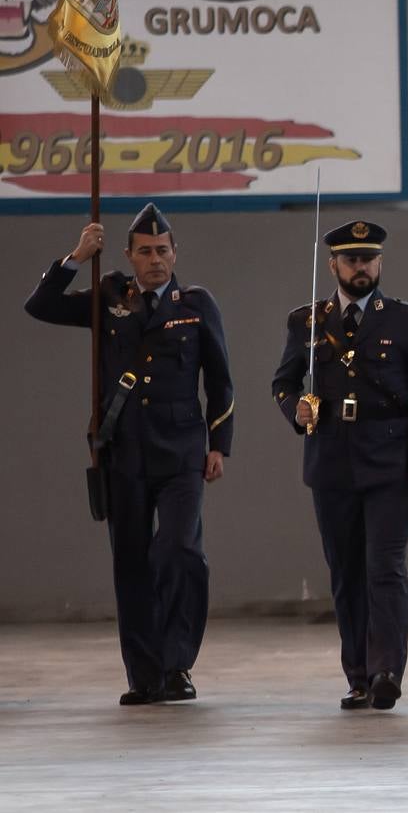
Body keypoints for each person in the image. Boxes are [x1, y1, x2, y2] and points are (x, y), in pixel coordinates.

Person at [24, 203, 234, 705]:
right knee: (131, 564)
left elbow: (221, 383)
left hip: (182, 449)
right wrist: (78, 255)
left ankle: (177, 663)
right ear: (129, 255)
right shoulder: (108, 295)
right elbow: (41, 306)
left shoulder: (196, 304)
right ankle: (144, 675)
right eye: (144, 251)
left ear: (175, 253)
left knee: (179, 549)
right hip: (124, 451)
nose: (155, 259)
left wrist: (219, 445)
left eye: (162, 250)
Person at [271, 220, 408, 712]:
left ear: (379, 263)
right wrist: (297, 409)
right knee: (347, 571)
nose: (360, 267)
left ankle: (387, 670)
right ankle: (358, 676)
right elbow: (283, 383)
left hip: (391, 458)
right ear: (333, 265)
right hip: (330, 460)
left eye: (368, 259)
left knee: (385, 567)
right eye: (351, 260)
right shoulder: (306, 321)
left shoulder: (407, 320)